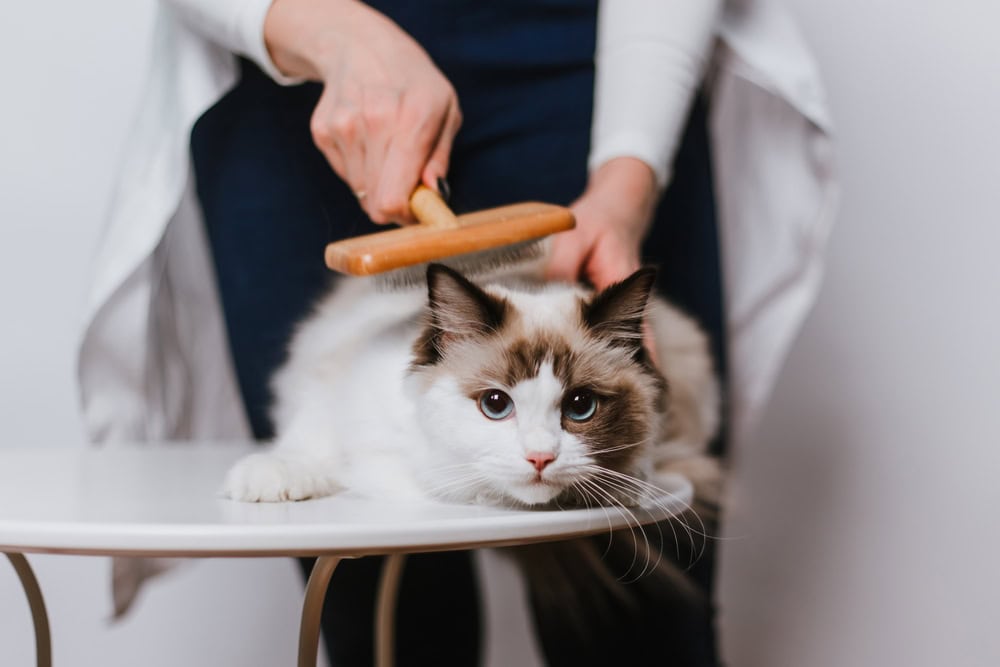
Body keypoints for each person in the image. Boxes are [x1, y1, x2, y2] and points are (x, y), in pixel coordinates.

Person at [78, 0, 836, 664]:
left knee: (637, 612)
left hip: (589, 54)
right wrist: (321, 26)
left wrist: (626, 183)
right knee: (377, 611)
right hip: (289, 77)